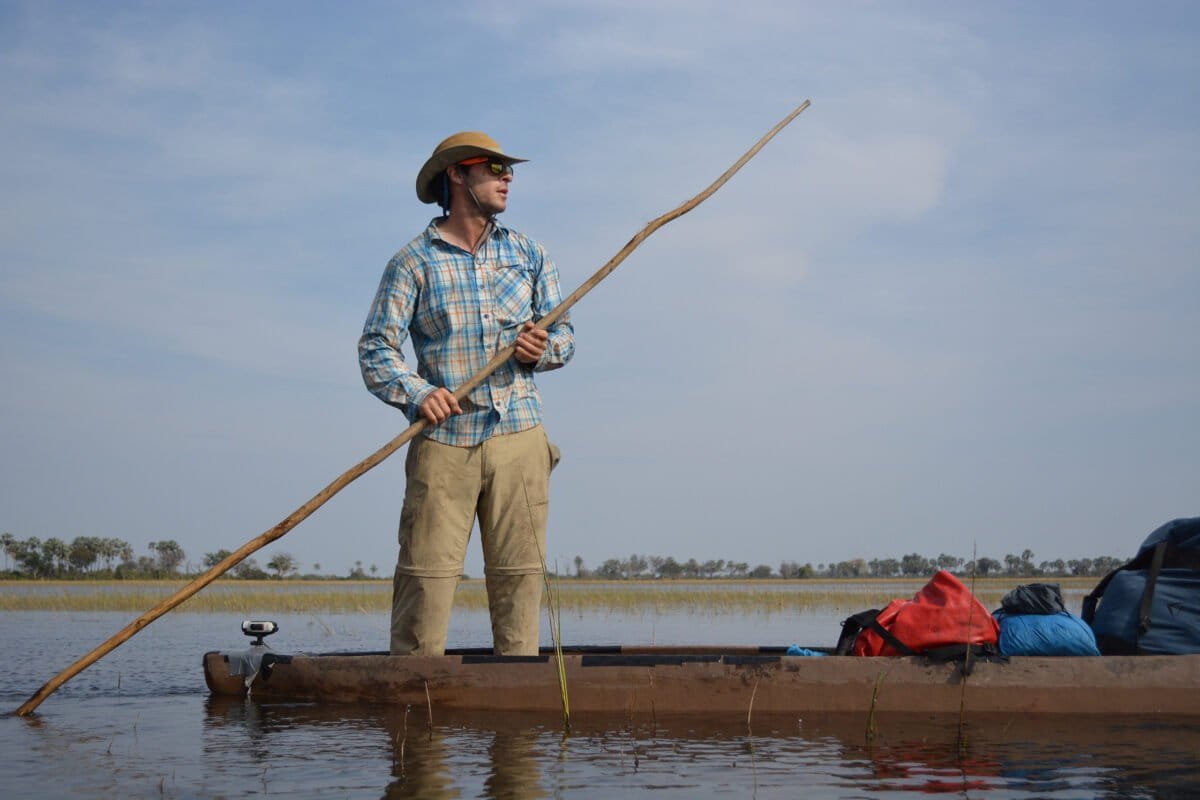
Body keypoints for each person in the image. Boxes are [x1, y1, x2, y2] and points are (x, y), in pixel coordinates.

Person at [359, 132, 575, 656]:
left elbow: (565, 338)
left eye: (509, 169)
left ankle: (517, 717)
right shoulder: (412, 262)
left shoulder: (529, 253)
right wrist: (417, 393)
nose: (507, 176)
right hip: (444, 441)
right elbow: (376, 349)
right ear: (457, 174)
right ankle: (414, 710)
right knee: (425, 579)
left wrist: (538, 350)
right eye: (494, 166)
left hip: (520, 436)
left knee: (520, 579)